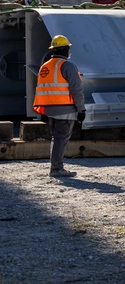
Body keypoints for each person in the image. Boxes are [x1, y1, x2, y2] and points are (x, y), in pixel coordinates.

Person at [32, 34, 86, 178]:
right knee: (61, 139)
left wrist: (43, 111)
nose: (69, 51)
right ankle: (56, 169)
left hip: (50, 110)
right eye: (68, 48)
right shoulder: (67, 66)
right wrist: (81, 109)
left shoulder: (45, 66)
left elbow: (42, 89)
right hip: (65, 110)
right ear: (64, 50)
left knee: (56, 138)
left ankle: (56, 167)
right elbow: (77, 90)